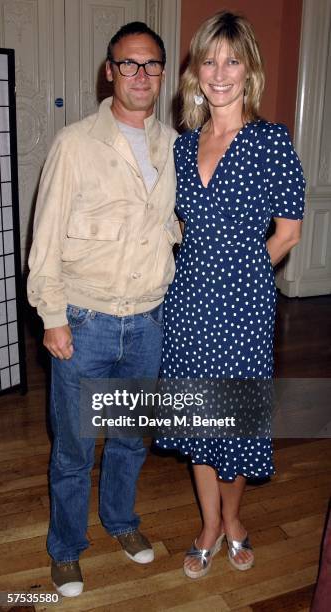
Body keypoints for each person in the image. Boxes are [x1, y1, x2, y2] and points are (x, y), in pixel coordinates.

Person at [27, 21, 180, 597]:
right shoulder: (74, 143)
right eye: (129, 64)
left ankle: (121, 521)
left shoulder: (173, 145)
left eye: (152, 65)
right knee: (72, 447)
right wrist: (53, 318)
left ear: (162, 73)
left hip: (147, 321)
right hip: (85, 322)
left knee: (128, 440)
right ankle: (66, 549)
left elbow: (169, 227)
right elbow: (44, 240)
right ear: (109, 72)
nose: (141, 75)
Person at [156, 11, 305, 579]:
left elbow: (287, 234)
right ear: (196, 71)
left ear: (250, 70)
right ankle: (209, 525)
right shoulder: (181, 147)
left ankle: (235, 519)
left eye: (232, 60)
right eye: (210, 60)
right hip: (189, 304)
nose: (220, 72)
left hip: (243, 306)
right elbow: (180, 228)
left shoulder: (271, 143)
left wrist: (240, 272)